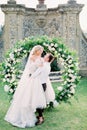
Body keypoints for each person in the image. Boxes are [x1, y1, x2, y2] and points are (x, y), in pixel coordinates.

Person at [4, 45, 47, 128]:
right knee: (27, 97)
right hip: (31, 79)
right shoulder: (33, 57)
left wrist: (40, 66)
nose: (41, 52)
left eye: (42, 51)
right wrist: (36, 67)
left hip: (36, 80)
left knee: (36, 97)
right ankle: (25, 116)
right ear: (37, 50)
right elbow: (30, 68)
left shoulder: (40, 58)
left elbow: (41, 69)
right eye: (40, 51)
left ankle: (39, 116)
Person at [31, 53, 55, 125]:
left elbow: (35, 74)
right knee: (40, 100)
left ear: (48, 59)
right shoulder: (48, 65)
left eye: (45, 56)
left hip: (40, 85)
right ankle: (40, 115)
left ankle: (41, 118)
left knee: (38, 102)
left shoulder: (43, 65)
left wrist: (30, 75)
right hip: (44, 84)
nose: (44, 56)